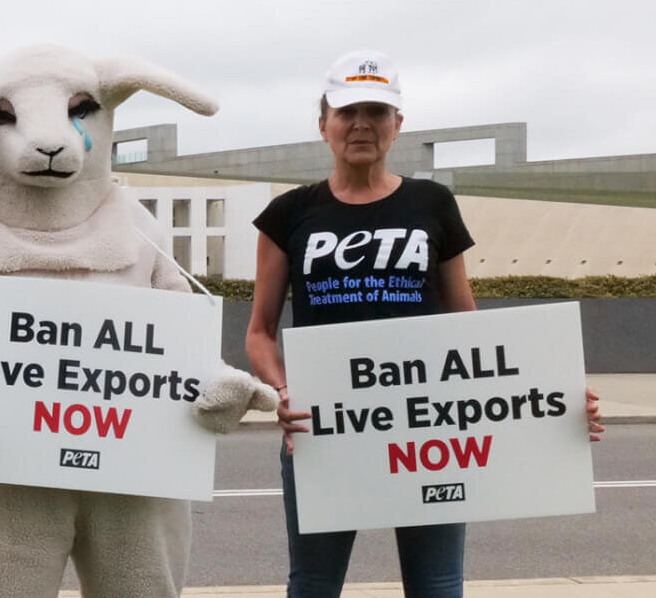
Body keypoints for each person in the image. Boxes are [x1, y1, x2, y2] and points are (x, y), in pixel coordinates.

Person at [244, 50, 603, 598]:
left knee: (436, 586)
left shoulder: (432, 203)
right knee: (313, 585)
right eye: (347, 111)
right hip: (325, 433)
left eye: (377, 111)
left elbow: (468, 324)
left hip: (428, 429)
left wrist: (548, 397)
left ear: (398, 124)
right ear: (323, 124)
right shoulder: (288, 213)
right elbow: (260, 332)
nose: (362, 124)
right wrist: (283, 392)